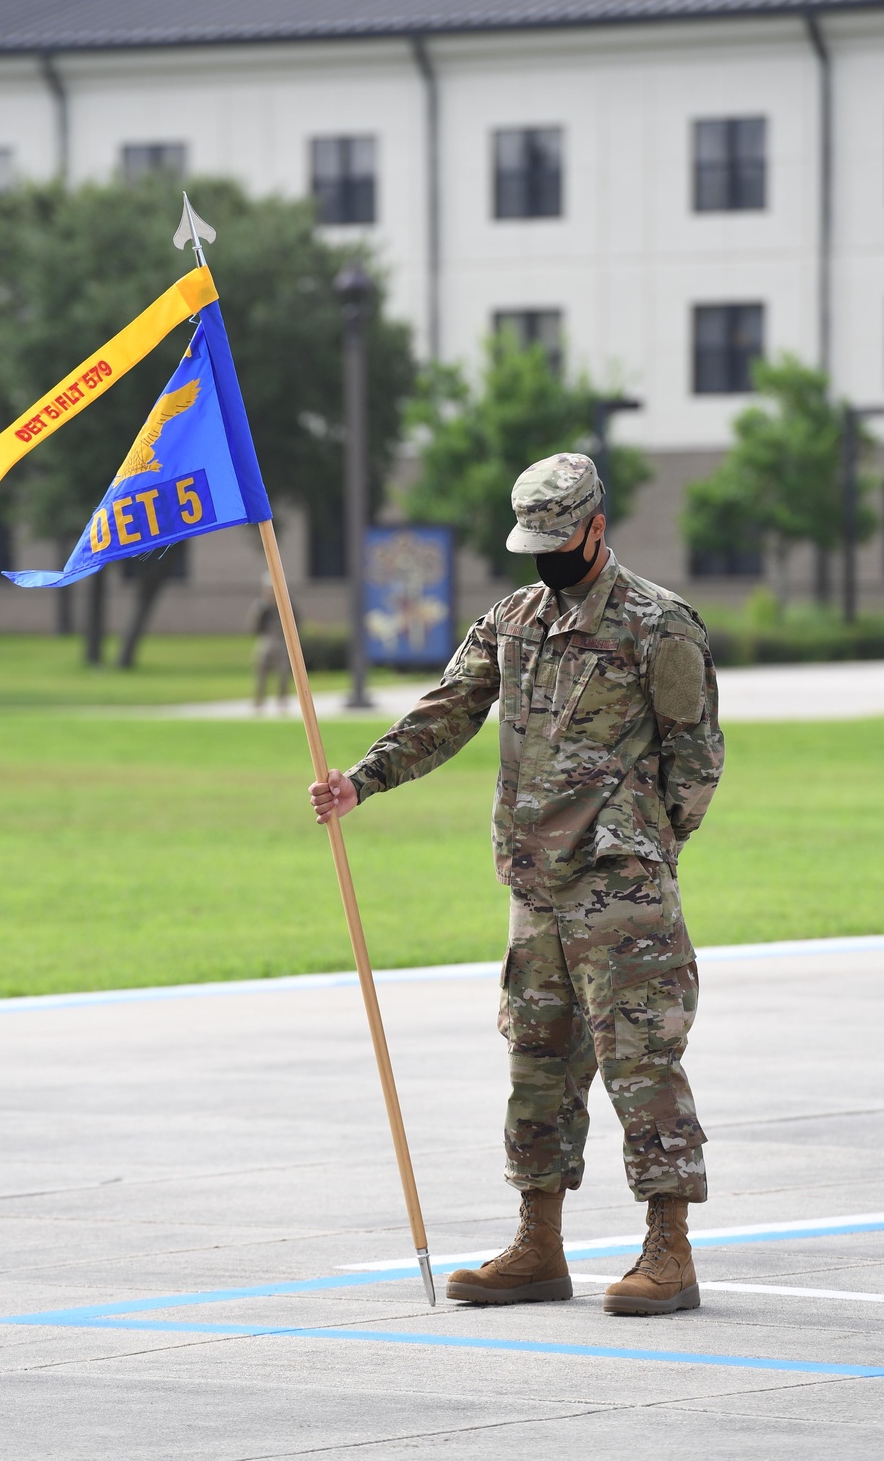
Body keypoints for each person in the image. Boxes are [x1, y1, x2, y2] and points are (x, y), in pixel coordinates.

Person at [308, 453, 724, 1317]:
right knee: (536, 1063)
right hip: (536, 889)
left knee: (641, 1065)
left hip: (621, 893)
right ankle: (539, 1244)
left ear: (596, 529)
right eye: (532, 539)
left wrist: (645, 845)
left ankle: (670, 1250)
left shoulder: (660, 625)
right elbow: (449, 708)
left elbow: (696, 760)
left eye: (557, 537)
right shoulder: (514, 620)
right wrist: (362, 779)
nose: (544, 555)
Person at [249, 574, 292, 713]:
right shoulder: (261, 606)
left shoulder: (286, 604)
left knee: (284, 671)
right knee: (261, 669)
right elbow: (255, 626)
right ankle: (259, 700)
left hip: (281, 640)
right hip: (266, 639)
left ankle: (282, 700)